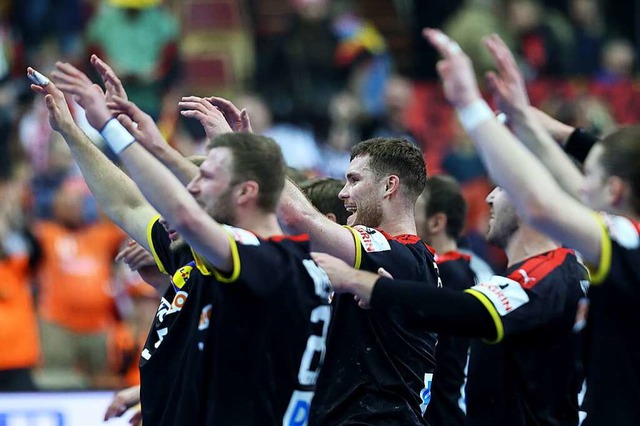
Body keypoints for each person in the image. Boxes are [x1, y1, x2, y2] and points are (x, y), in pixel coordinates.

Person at [32, 60, 332, 425]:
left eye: (204, 178)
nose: (193, 187)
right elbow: (128, 204)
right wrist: (70, 129)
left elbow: (185, 213)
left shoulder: (269, 262)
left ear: (244, 192)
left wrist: (113, 129)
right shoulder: (200, 257)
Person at [423, 27, 640, 424]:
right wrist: (525, 119)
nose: (579, 186)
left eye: (590, 178)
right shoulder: (621, 240)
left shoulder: (624, 245)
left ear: (615, 190)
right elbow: (568, 187)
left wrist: (472, 107)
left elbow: (541, 203)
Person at [313, 183, 588, 425]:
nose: (490, 198)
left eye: (504, 187)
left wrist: (368, 284)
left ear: (536, 203)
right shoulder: (554, 274)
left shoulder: (549, 275)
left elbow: (467, 310)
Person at [278, 136, 440, 424]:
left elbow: (298, 216)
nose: (342, 193)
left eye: (354, 180)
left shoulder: (400, 255)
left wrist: (253, 158)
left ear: (389, 186)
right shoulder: (409, 260)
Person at [414, 175, 476, 425]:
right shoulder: (459, 269)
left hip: (439, 413)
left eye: (412, 210)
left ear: (436, 222)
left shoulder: (450, 274)